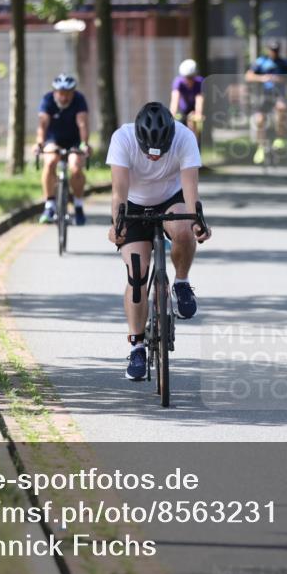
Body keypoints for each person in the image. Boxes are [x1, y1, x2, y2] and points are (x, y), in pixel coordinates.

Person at [107, 103, 213, 381]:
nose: (154, 157)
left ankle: (180, 282)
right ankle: (137, 347)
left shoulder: (185, 137)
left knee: (183, 229)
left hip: (170, 198)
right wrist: (116, 224)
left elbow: (190, 188)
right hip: (133, 203)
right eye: (148, 151)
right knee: (136, 273)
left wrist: (197, 220)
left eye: (160, 151)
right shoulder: (122, 138)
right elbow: (118, 191)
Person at [32, 73, 91, 225]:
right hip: (54, 140)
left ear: (73, 92)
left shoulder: (79, 100)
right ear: (55, 92)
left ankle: (78, 206)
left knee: (76, 167)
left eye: (67, 94)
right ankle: (49, 205)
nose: (64, 98)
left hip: (74, 141)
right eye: (61, 94)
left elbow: (82, 123)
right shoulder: (47, 100)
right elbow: (42, 124)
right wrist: (39, 143)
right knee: (50, 161)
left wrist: (84, 144)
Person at [245, 40, 287, 164]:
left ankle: (280, 138)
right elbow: (248, 76)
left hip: (278, 94)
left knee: (281, 108)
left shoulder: (284, 63)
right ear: (268, 50)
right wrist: (262, 78)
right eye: (272, 50)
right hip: (264, 95)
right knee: (259, 119)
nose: (274, 52)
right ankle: (261, 147)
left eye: (276, 50)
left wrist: (280, 79)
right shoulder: (261, 62)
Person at [170, 58, 204, 141]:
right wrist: (171, 116)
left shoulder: (199, 82)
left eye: (191, 77)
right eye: (187, 78)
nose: (189, 80)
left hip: (194, 108)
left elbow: (199, 99)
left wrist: (198, 113)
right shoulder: (178, 82)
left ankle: (195, 144)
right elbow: (175, 99)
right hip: (183, 110)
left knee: (193, 126)